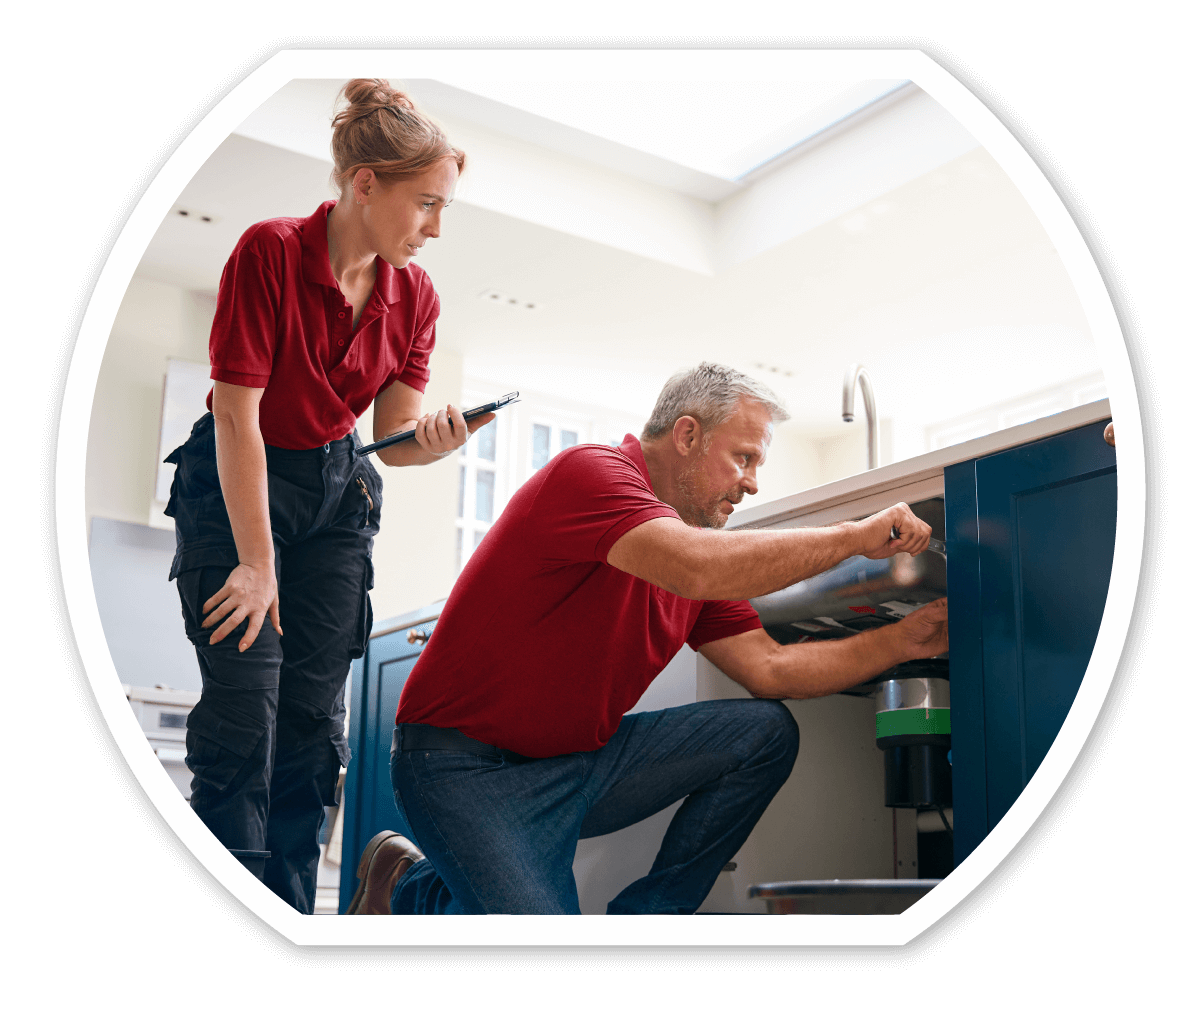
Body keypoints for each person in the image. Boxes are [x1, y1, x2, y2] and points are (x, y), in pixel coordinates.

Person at [348, 362, 949, 915]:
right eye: (743, 458)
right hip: (463, 767)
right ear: (686, 436)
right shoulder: (593, 473)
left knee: (764, 732)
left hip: (578, 766)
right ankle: (404, 886)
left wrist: (901, 642)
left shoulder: (696, 541)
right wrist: (853, 536)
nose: (752, 484)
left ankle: (645, 923)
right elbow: (696, 566)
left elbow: (769, 669)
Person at [163, 79, 494, 914]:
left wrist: (440, 441)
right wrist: (253, 562)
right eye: (426, 204)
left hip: (336, 496)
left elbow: (395, 431)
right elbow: (236, 412)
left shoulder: (414, 295)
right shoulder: (268, 251)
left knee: (313, 731)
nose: (435, 228)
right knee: (245, 724)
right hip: (240, 486)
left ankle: (290, 912)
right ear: (364, 184)